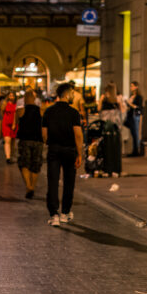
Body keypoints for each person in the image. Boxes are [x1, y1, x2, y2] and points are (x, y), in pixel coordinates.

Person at [43, 82, 84, 227]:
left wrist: (50, 143)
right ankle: (65, 213)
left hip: (54, 149)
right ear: (66, 95)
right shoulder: (73, 113)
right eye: (72, 93)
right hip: (69, 150)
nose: (74, 95)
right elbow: (78, 135)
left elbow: (44, 133)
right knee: (69, 182)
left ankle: (54, 214)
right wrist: (80, 154)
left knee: (52, 182)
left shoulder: (49, 111)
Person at [14, 89, 44, 199]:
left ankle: (28, 186)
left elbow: (15, 124)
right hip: (38, 140)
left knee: (24, 163)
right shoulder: (42, 111)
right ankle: (32, 186)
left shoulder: (20, 111)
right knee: (35, 164)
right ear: (35, 100)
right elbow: (44, 127)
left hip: (25, 139)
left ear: (25, 100)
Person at [98, 83, 124, 176]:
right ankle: (115, 169)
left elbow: (99, 109)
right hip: (115, 127)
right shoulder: (115, 99)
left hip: (108, 127)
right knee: (114, 149)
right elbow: (122, 112)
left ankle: (108, 169)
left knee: (108, 149)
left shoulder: (107, 99)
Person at [124, 81, 144, 157]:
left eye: (132, 86)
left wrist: (129, 103)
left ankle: (136, 151)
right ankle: (134, 150)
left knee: (135, 133)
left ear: (136, 87)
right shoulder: (131, 96)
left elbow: (137, 107)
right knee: (133, 133)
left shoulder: (139, 97)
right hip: (130, 116)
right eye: (130, 86)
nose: (131, 88)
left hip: (136, 115)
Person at [0, 93, 18, 163]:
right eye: (10, 95)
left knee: (13, 141)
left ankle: (11, 155)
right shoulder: (4, 104)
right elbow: (2, 114)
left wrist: (14, 123)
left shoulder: (16, 105)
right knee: (7, 141)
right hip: (6, 124)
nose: (11, 97)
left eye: (12, 95)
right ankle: (8, 157)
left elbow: (16, 115)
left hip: (14, 124)